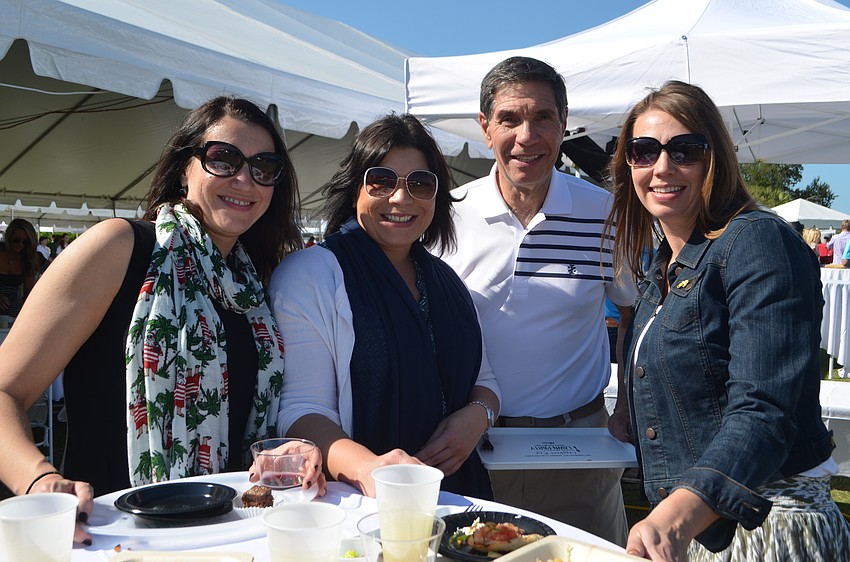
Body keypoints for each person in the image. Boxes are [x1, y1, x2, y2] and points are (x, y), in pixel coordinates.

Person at [0, 96, 324, 545]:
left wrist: (279, 454)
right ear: (183, 167)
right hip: (113, 539)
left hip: (227, 539)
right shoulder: (121, 248)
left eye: (263, 167)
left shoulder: (252, 288)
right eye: (223, 159)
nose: (244, 179)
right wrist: (39, 481)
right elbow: (4, 390)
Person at [607, 80, 850, 561]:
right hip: (701, 524)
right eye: (643, 151)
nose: (662, 167)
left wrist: (676, 515)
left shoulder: (757, 242)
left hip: (768, 525)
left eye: (685, 150)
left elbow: (764, 409)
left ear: (715, 157)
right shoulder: (662, 265)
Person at [437, 56, 637, 547]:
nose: (527, 135)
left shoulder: (606, 214)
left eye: (543, 118)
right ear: (485, 129)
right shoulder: (445, 216)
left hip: (577, 449)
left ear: (564, 126)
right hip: (471, 448)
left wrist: (630, 399)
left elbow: (634, 309)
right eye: (509, 118)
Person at [270, 113, 500, 499]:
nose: (400, 198)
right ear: (355, 188)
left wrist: (477, 418)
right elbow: (303, 409)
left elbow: (486, 381)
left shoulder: (447, 282)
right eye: (381, 180)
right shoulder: (311, 275)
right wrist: (371, 469)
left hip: (456, 493)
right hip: (356, 500)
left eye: (420, 184)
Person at [0, 219, 39, 317]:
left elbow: (28, 291)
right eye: (16, 240)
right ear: (9, 237)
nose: (20, 245)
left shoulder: (27, 260)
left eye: (25, 242)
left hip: (12, 314)